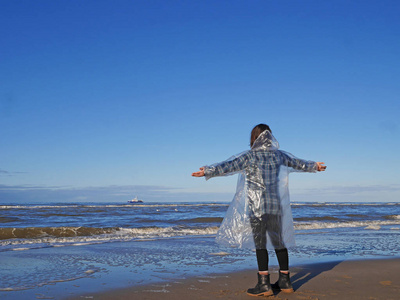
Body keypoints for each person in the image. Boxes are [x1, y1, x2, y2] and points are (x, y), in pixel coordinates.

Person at [192, 124, 326, 297]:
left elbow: (229, 166)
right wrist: (315, 166)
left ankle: (264, 284)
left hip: (257, 207)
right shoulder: (280, 155)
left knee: (260, 244)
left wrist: (207, 171)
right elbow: (297, 163)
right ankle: (285, 281)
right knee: (279, 242)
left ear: (254, 138)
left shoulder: (249, 156)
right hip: (276, 206)